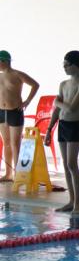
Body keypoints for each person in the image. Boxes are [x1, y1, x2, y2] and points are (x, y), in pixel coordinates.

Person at [45, 51, 79, 215]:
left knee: (72, 163)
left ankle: (78, 203)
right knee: (65, 164)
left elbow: (72, 108)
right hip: (63, 125)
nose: (64, 67)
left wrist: (57, 101)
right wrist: (50, 129)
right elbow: (57, 110)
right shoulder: (63, 84)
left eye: (66, 64)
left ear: (75, 65)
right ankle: (71, 201)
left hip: (74, 126)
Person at [0, 50, 39, 181]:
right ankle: (8, 174)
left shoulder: (17, 74)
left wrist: (27, 101)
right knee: (6, 143)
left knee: (15, 143)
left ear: (4, 61)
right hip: (1, 112)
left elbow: (35, 84)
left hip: (14, 112)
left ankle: (18, 174)